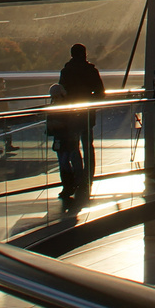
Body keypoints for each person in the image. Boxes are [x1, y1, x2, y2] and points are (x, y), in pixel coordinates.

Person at [59, 43, 105, 193]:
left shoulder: (66, 71)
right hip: (86, 112)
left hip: (71, 112)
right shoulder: (91, 71)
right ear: (84, 54)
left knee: (73, 146)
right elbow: (100, 92)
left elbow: (62, 92)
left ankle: (77, 178)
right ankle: (88, 178)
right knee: (87, 145)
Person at [46, 83, 86, 206]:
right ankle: (70, 184)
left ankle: (70, 185)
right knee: (64, 162)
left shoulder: (65, 109)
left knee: (64, 162)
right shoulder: (65, 107)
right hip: (63, 138)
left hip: (66, 138)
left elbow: (69, 124)